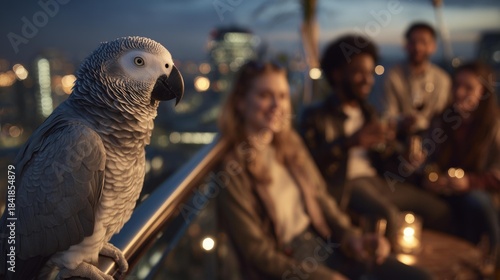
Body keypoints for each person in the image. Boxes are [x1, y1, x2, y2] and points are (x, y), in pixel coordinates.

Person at [216, 60, 432, 280]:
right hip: (289, 261)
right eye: (264, 95)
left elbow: (321, 198)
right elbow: (257, 253)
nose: (276, 105)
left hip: (324, 242)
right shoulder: (232, 168)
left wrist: (352, 237)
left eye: (282, 96)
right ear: (241, 102)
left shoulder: (289, 143)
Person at [299, 35, 451, 245]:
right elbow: (307, 164)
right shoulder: (315, 116)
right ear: (337, 74)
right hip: (345, 184)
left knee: (439, 209)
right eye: (359, 73)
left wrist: (404, 156)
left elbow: (386, 158)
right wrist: (349, 142)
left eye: (370, 73)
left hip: (378, 182)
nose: (368, 79)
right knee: (386, 215)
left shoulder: (369, 113)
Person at [421, 61, 500, 274]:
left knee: (477, 201)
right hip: (445, 188)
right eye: (456, 85)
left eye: (469, 87)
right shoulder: (442, 120)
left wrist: (470, 182)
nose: (459, 92)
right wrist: (431, 176)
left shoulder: (494, 125)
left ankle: (493, 260)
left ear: (484, 91)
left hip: (481, 190)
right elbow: (428, 160)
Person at [384, 22, 451, 142]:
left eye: (423, 42)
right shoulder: (393, 75)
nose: (418, 47)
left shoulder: (442, 79)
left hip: (433, 141)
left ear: (433, 46)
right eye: (413, 42)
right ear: (406, 45)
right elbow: (387, 113)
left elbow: (443, 115)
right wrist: (401, 122)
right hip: (399, 140)